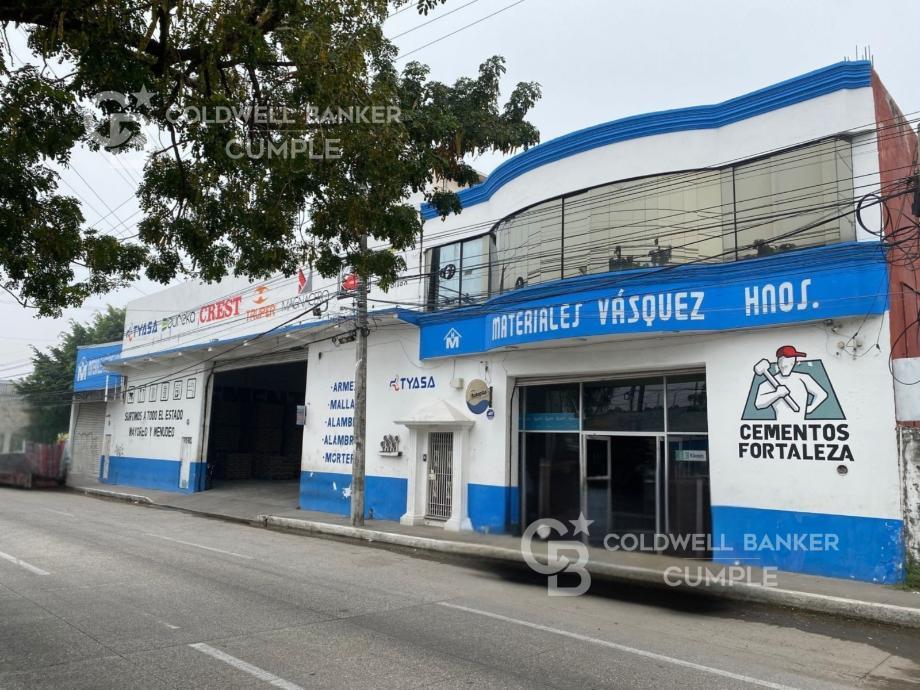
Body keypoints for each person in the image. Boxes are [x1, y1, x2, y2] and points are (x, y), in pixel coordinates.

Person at [754, 345, 828, 422]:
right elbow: (758, 404)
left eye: (793, 360)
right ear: (779, 362)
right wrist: (777, 394)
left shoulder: (804, 378)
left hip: (802, 425)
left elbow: (822, 394)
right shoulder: (768, 383)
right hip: (781, 426)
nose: (792, 362)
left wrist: (810, 409)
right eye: (788, 361)